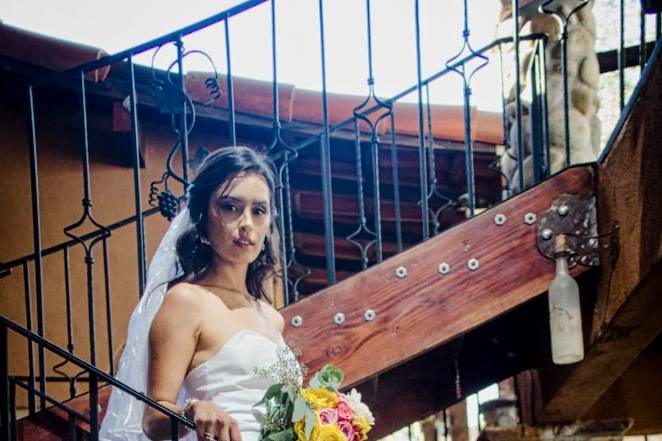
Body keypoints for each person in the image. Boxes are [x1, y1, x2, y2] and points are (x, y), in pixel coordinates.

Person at [100, 146, 295, 441]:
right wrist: (194, 409)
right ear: (203, 217)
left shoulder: (271, 318)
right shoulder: (186, 301)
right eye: (230, 207)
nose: (246, 224)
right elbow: (153, 420)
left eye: (258, 211)